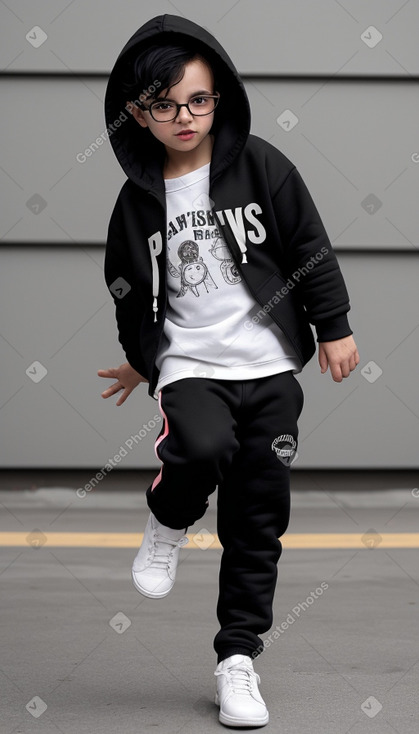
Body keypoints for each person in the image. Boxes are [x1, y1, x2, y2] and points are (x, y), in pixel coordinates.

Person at [98, 14, 359, 728]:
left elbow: (310, 245)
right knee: (202, 446)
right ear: (136, 112)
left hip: (268, 366)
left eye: (198, 100)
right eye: (163, 104)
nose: (183, 117)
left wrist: (332, 326)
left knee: (256, 516)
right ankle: (167, 517)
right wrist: (142, 360)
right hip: (190, 366)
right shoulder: (137, 202)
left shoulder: (261, 165)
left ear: (221, 97)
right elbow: (124, 287)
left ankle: (236, 660)